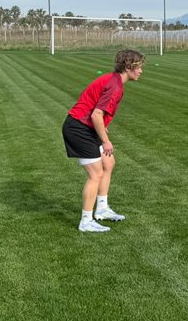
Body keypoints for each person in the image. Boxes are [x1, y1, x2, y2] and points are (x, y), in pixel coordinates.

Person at [62, 49, 145, 232]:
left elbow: (96, 111)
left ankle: (102, 209)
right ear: (128, 67)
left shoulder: (115, 81)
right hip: (78, 129)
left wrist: (102, 129)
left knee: (108, 162)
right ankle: (86, 221)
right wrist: (105, 140)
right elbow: (96, 115)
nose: (141, 71)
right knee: (96, 174)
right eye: (138, 67)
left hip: (87, 127)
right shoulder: (115, 85)